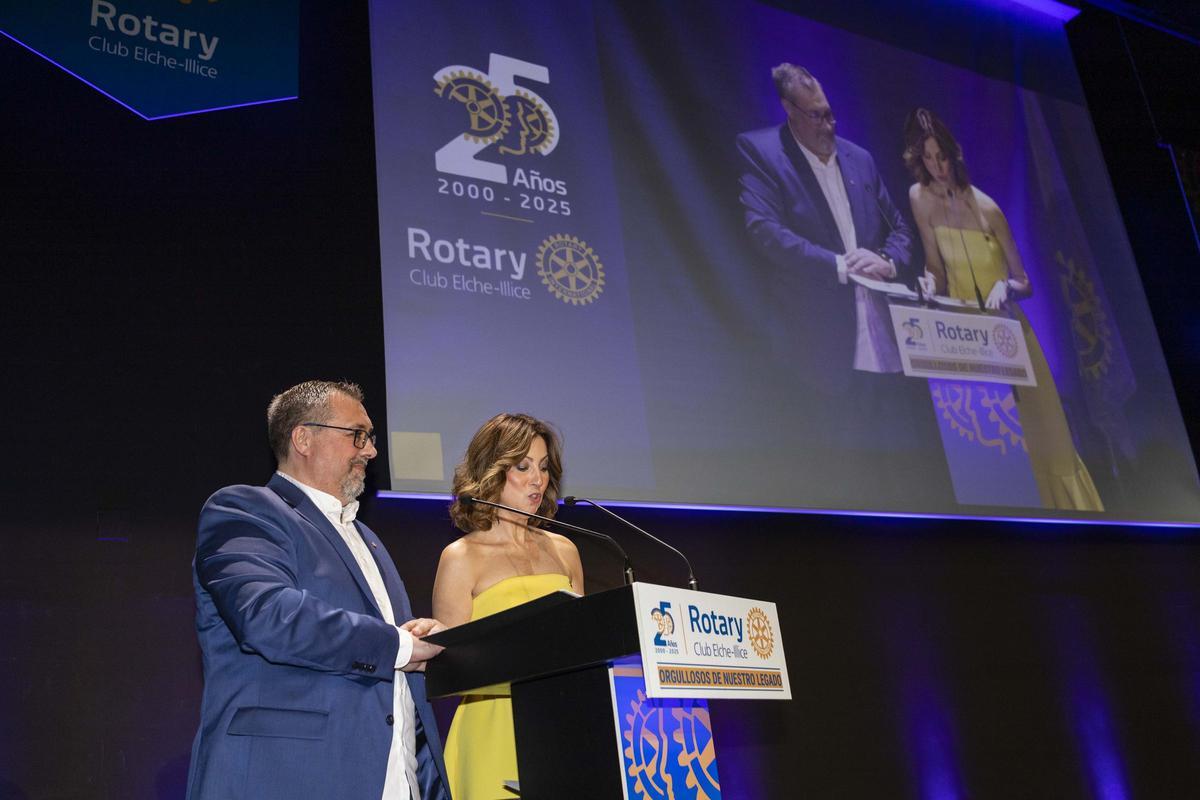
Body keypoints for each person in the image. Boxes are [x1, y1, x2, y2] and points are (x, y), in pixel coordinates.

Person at [186, 380, 451, 800]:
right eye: (357, 435)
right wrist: (399, 646)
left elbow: (389, 658)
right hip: (291, 776)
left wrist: (419, 641)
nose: (371, 451)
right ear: (303, 439)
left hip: (394, 779)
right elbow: (268, 615)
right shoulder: (245, 509)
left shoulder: (368, 539)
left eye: (371, 438)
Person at [737, 63, 951, 509]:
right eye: (816, 116)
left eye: (830, 113)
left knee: (908, 484)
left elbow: (900, 229)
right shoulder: (762, 152)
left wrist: (887, 262)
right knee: (844, 485)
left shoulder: (860, 159)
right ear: (789, 109)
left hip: (886, 347)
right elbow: (764, 231)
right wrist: (839, 266)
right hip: (822, 354)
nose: (828, 125)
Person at [903, 108, 1104, 511]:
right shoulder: (919, 199)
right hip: (962, 338)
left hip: (1008, 334)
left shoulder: (987, 208)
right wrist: (928, 283)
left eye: (941, 157)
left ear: (953, 154)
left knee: (1045, 438)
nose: (937, 167)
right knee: (992, 446)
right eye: (928, 158)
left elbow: (1024, 282)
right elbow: (935, 268)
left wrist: (1005, 286)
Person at [432, 413, 585, 799]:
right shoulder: (461, 557)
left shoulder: (566, 550)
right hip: (492, 728)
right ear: (492, 472)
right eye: (523, 466)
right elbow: (448, 670)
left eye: (544, 467)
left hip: (562, 725)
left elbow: (586, 646)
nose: (538, 480)